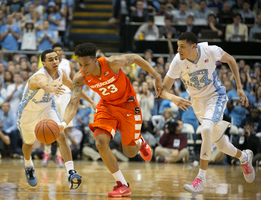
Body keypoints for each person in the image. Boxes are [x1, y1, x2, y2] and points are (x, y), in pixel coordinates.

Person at [59, 42, 163, 197]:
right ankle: (122, 184)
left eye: (86, 64)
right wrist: (63, 123)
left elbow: (135, 58)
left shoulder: (112, 63)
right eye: (80, 64)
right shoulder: (80, 78)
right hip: (106, 106)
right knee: (100, 141)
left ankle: (140, 142)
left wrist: (157, 76)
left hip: (128, 105)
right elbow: (73, 103)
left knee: (129, 152)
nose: (83, 69)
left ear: (95, 60)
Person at [159, 32, 255, 195]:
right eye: (177, 46)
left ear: (193, 46)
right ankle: (244, 157)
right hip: (198, 104)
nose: (179, 50)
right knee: (220, 144)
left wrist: (238, 87)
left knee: (205, 130)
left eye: (182, 46)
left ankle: (200, 180)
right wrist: (172, 97)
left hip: (215, 97)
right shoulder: (177, 61)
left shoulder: (210, 50)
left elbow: (231, 59)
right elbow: (162, 90)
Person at [17, 49, 96, 188]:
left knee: (61, 133)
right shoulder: (38, 76)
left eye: (56, 58)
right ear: (43, 63)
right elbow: (45, 86)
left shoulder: (61, 73)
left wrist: (91, 101)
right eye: (51, 59)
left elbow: (75, 88)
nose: (55, 61)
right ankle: (28, 165)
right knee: (28, 143)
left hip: (47, 108)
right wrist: (52, 87)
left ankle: (71, 171)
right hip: (28, 112)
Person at [41, 43, 76, 168]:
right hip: (52, 96)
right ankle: (46, 154)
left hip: (65, 95)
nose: (58, 52)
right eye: (56, 50)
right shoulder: (48, 64)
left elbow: (73, 81)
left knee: (63, 127)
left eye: (60, 50)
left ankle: (60, 156)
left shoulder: (68, 63)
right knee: (48, 126)